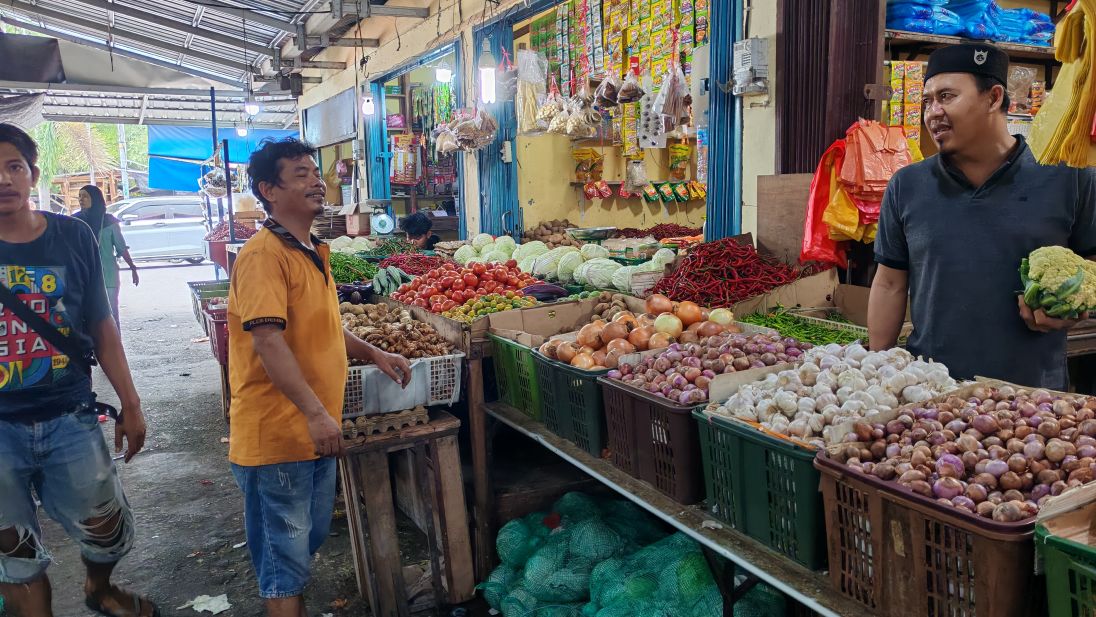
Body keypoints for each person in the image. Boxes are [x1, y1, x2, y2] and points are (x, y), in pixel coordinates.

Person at [228, 137, 412, 617]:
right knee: (283, 568)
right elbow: (268, 341)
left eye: (315, 171)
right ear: (269, 190)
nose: (316, 180)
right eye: (300, 174)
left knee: (301, 548)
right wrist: (314, 413)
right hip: (278, 437)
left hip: (312, 432)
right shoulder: (264, 255)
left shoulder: (312, 249)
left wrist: (374, 351)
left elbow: (325, 327)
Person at [868, 43, 1096, 389]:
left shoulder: (1070, 176)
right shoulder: (907, 185)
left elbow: (1091, 264)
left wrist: (1069, 307)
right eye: (927, 100)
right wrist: (874, 372)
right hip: (931, 394)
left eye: (946, 96)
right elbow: (889, 283)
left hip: (1034, 397)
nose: (932, 112)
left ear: (993, 98)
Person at [0, 123, 154, 616]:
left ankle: (99, 588)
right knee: (13, 553)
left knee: (108, 531)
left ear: (32, 174)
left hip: (70, 414)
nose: (3, 179)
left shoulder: (73, 236)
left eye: (13, 166)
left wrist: (131, 404)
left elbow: (101, 326)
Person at [73, 185, 139, 326]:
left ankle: (116, 346)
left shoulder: (109, 221)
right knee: (86, 315)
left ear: (95, 199)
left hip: (107, 276)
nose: (81, 199)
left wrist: (133, 268)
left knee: (111, 313)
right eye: (79, 196)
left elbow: (121, 247)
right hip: (83, 276)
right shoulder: (75, 222)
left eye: (85, 196)